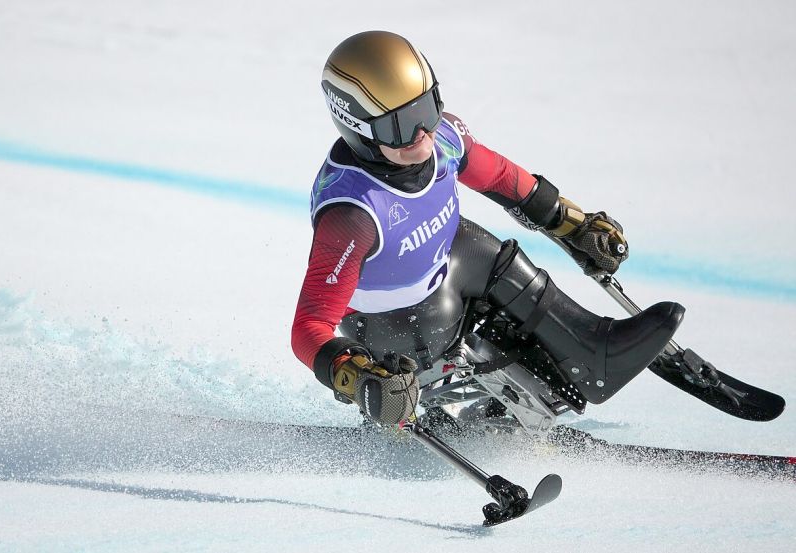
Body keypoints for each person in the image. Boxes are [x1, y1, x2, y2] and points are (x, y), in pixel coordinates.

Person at [291, 31, 685, 426]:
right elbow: (309, 326)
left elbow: (500, 177)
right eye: (401, 125)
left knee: (478, 244)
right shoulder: (352, 215)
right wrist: (356, 375)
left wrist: (571, 223)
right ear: (358, 128)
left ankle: (590, 354)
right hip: (396, 332)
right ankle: (428, 397)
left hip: (444, 276)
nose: (422, 134)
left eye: (427, 109)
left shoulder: (442, 139)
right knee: (466, 242)